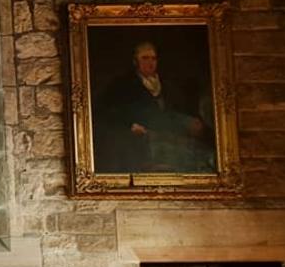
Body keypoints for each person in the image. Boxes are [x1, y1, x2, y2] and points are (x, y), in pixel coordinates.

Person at [92, 41, 215, 174]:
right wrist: (130, 125)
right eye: (145, 58)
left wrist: (190, 120)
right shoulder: (124, 84)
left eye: (153, 58)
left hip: (169, 128)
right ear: (135, 62)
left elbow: (174, 109)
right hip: (142, 133)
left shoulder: (166, 83)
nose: (150, 62)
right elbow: (108, 111)